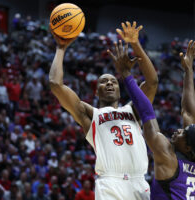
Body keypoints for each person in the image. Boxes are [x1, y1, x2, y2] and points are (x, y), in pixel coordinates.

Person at [49, 21, 158, 199]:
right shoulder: (90, 115)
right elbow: (55, 84)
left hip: (139, 182)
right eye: (103, 81)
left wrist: (135, 45)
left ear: (120, 88)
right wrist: (60, 49)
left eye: (113, 81)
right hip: (110, 183)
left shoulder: (133, 110)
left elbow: (152, 82)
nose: (109, 83)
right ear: (96, 90)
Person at [110, 40, 195, 199]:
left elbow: (147, 113)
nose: (179, 131)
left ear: (187, 148)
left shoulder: (167, 156)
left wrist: (126, 75)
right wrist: (188, 70)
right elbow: (189, 113)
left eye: (183, 134)